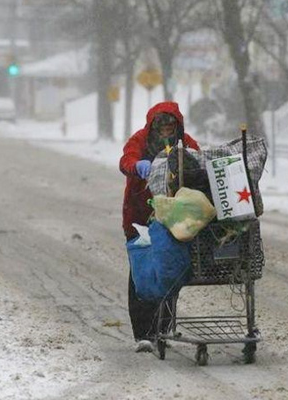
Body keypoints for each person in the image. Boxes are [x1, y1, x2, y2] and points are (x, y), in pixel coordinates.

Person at [119, 101, 200, 353]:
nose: (166, 132)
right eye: (161, 128)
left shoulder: (185, 143)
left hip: (171, 218)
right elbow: (126, 160)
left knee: (168, 270)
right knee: (142, 274)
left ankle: (163, 328)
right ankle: (143, 332)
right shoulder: (140, 140)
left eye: (170, 127)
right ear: (152, 127)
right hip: (140, 216)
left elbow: (198, 162)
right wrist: (137, 166)